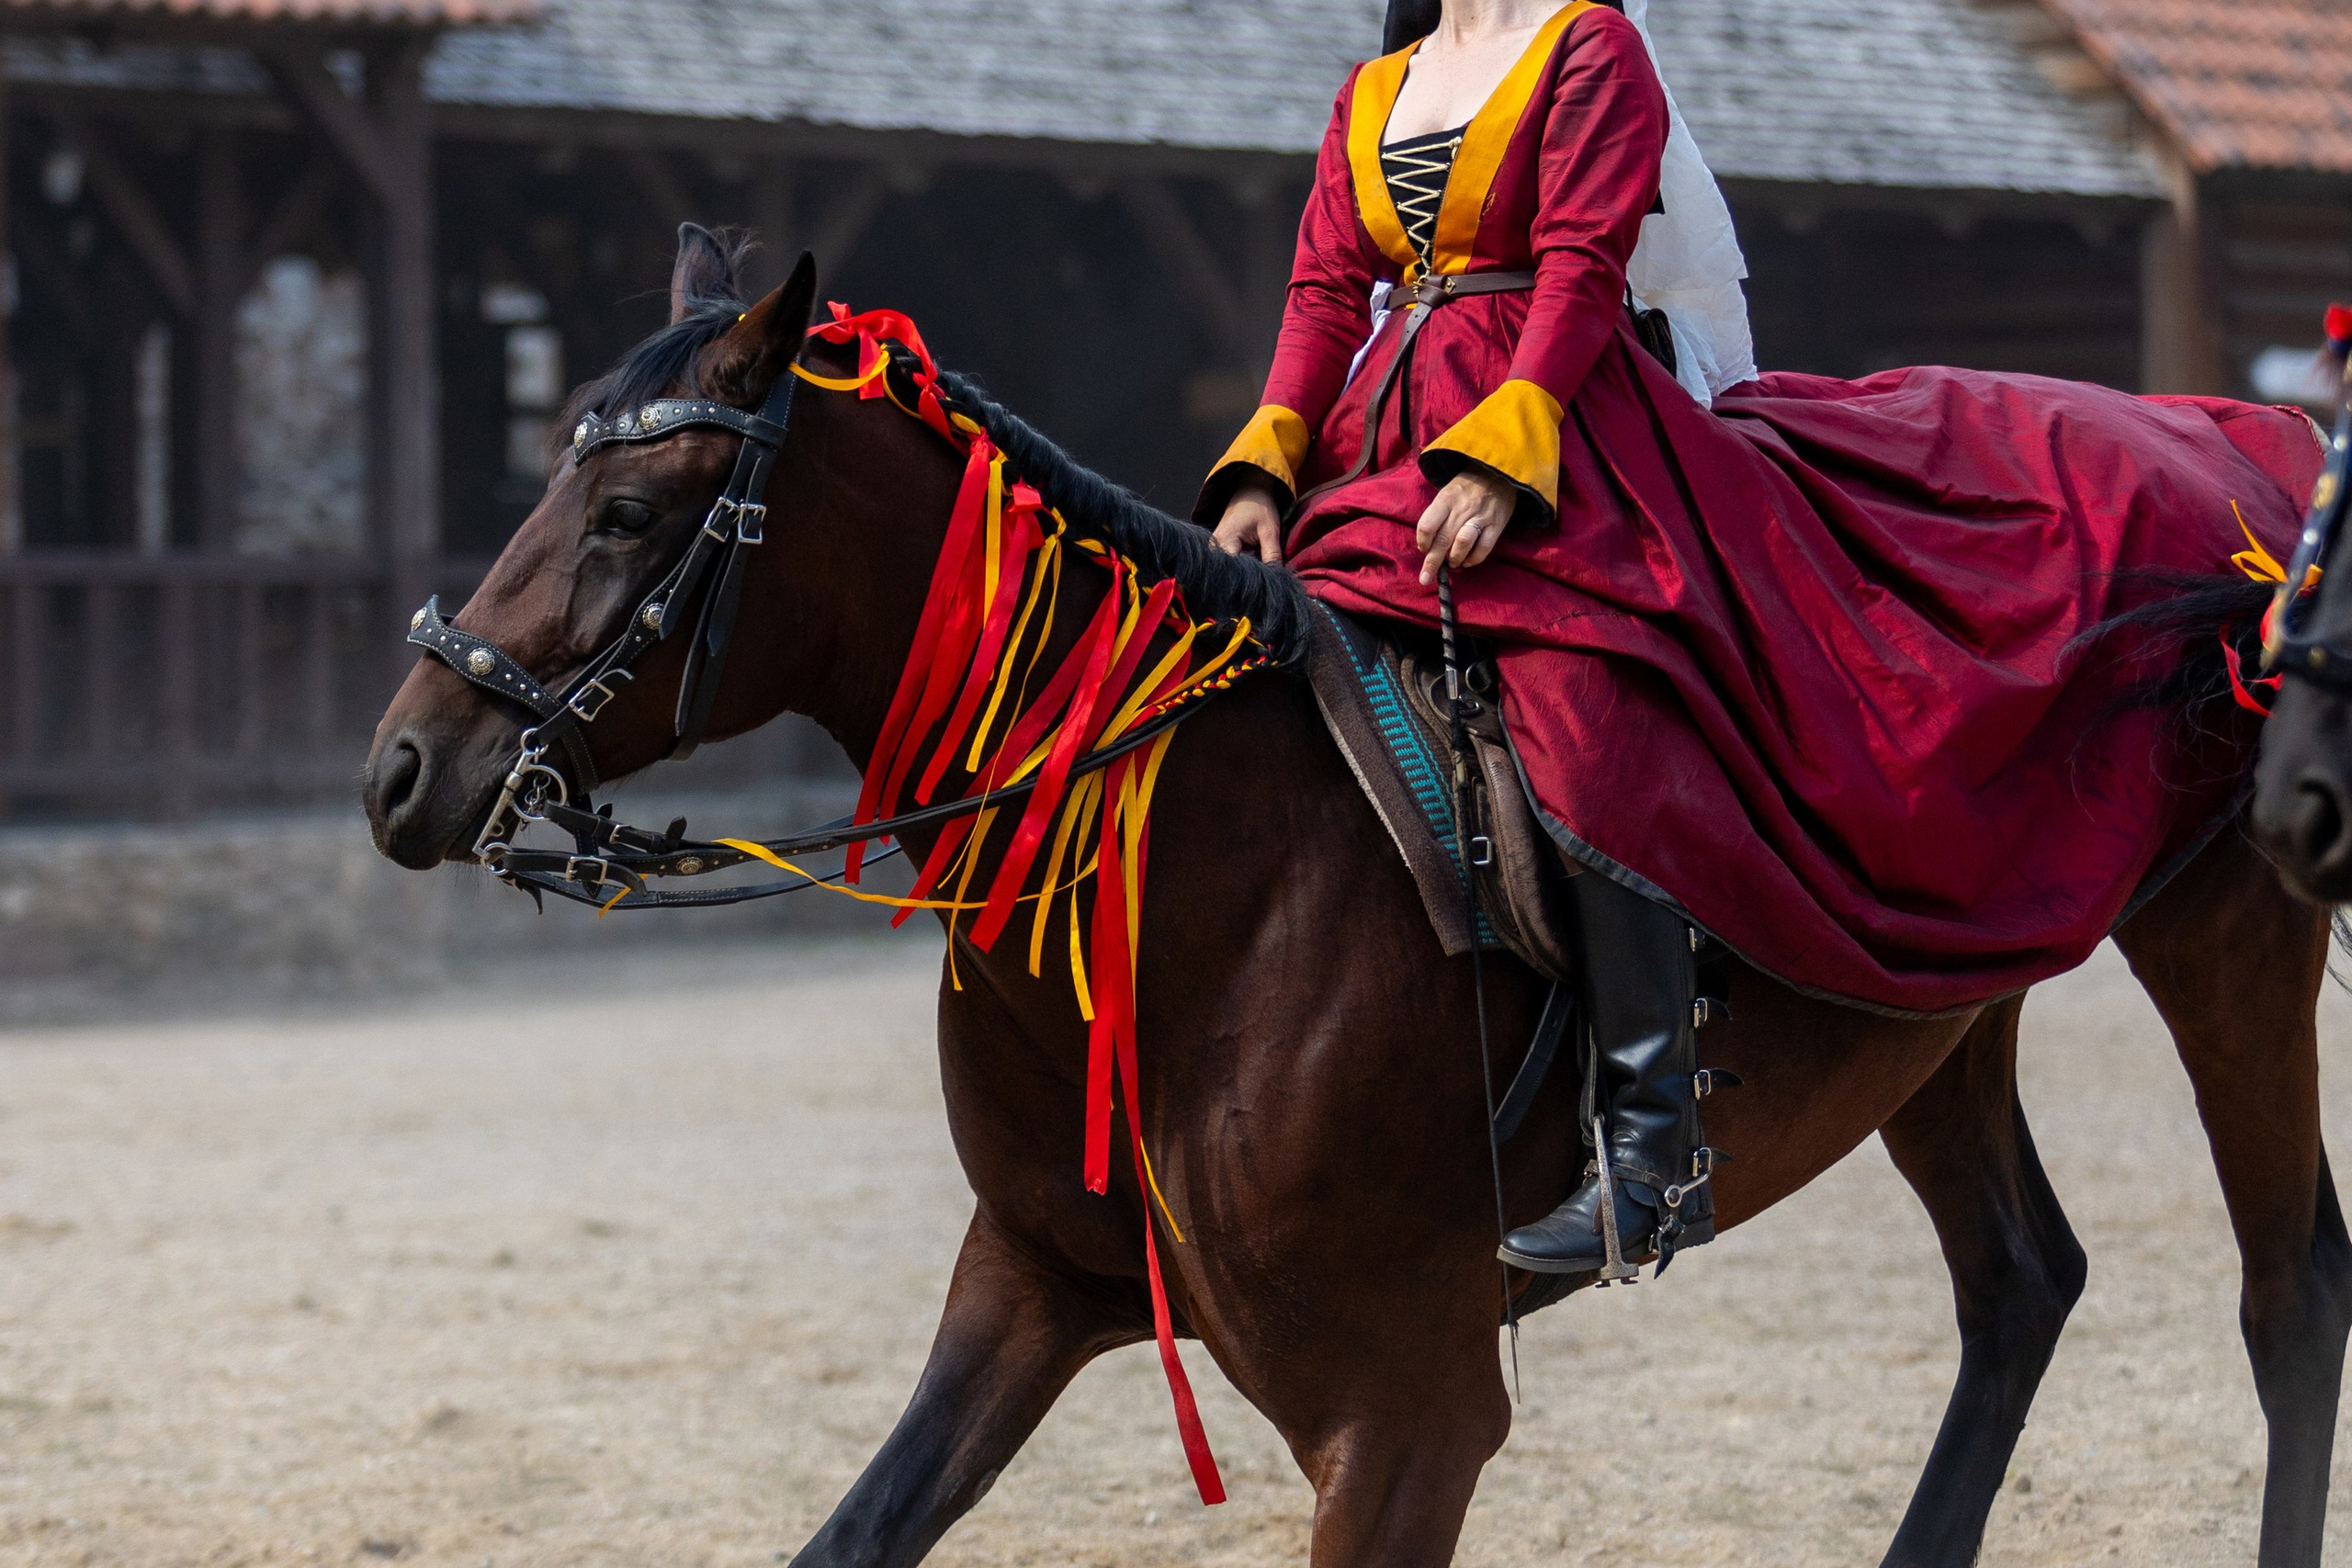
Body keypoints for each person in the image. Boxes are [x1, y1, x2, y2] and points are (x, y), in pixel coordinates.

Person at [1195, 0, 2326, 1276]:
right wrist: (1265, 463)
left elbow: (1580, 265)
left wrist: (1512, 457)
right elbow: (1324, 291)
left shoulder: (1589, 49)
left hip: (1562, 426)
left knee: (1587, 711)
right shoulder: (1374, 89)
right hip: (1382, 438)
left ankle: (1649, 1148)